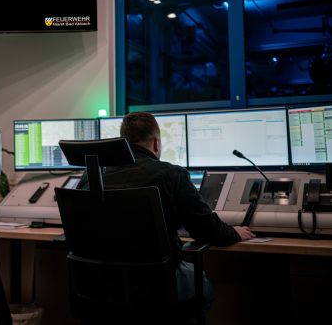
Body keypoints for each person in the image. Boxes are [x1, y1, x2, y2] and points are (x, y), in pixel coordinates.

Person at [90, 112, 255, 309]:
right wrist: (234, 233)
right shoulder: (171, 175)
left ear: (123, 141)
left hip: (102, 286)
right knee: (204, 286)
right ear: (156, 143)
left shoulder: (92, 177)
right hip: (158, 284)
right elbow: (205, 229)